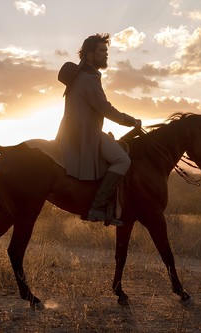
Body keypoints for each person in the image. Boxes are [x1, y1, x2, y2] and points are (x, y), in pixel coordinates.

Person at [56, 33, 141, 227]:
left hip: (73, 131)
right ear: (89, 54)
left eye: (106, 51)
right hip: (85, 134)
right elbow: (105, 108)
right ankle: (98, 206)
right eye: (101, 51)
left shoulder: (81, 76)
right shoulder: (88, 78)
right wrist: (131, 121)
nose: (106, 55)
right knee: (122, 160)